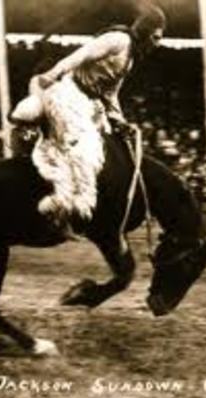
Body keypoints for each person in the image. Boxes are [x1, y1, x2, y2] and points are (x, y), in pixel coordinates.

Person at [10, 6, 166, 237]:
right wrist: (51, 76)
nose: (157, 42)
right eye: (156, 36)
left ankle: (77, 206)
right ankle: (62, 200)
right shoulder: (117, 39)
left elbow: (111, 94)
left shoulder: (130, 59)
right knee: (83, 145)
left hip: (92, 105)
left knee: (103, 149)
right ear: (145, 31)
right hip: (69, 92)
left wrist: (120, 120)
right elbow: (80, 55)